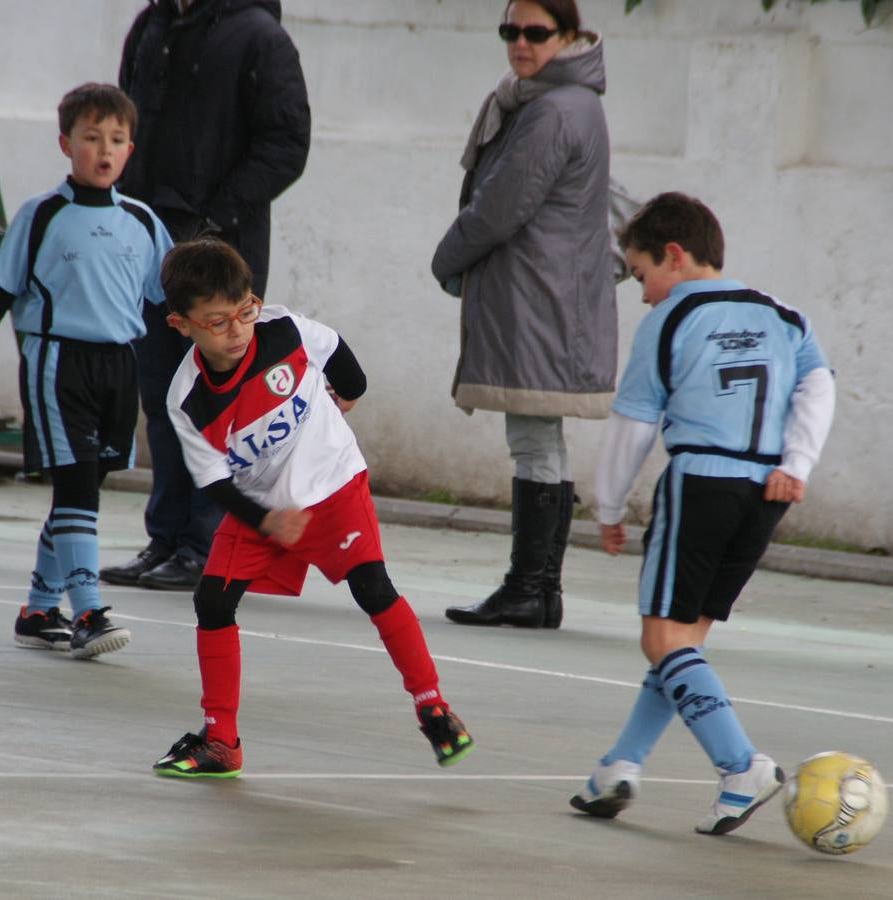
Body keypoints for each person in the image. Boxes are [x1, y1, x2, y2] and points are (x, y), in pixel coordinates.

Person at [149, 239, 474, 777]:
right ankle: (221, 741)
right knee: (212, 601)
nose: (237, 330)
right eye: (217, 322)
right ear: (181, 325)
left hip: (334, 483)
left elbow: (344, 361)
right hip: (261, 505)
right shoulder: (187, 401)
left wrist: (345, 394)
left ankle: (432, 705)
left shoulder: (285, 330)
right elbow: (215, 483)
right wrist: (265, 520)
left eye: (244, 311)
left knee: (372, 586)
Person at [569, 192, 836, 835]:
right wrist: (795, 466)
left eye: (641, 276)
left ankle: (740, 764)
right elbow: (819, 387)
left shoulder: (669, 321)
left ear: (674, 256)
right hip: (763, 496)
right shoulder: (785, 314)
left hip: (701, 481)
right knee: (683, 643)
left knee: (661, 638)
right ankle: (620, 766)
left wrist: (609, 504)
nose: (643, 295)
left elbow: (633, 423)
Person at [0, 83, 173, 658]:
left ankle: (40, 609)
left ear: (130, 150)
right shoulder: (41, 215)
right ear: (66, 144)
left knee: (82, 490)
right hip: (57, 363)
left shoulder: (141, 221)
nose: (104, 149)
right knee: (77, 487)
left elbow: (171, 302)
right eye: (91, 138)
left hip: (120, 366)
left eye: (116, 139)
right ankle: (88, 610)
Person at [100, 0, 311, 591]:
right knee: (164, 399)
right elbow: (127, 127)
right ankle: (167, 537)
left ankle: (208, 543)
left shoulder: (259, 36)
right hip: (151, 252)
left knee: (217, 409)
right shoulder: (153, 24)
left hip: (218, 256)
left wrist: (212, 219)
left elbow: (286, 144)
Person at [432, 0, 616, 630]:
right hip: (549, 293)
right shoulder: (565, 101)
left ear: (567, 36)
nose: (520, 43)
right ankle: (539, 591)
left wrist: (446, 256)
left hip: (538, 295)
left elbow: (498, 207)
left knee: (534, 442)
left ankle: (528, 588)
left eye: (536, 33)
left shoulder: (553, 110)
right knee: (542, 442)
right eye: (510, 30)